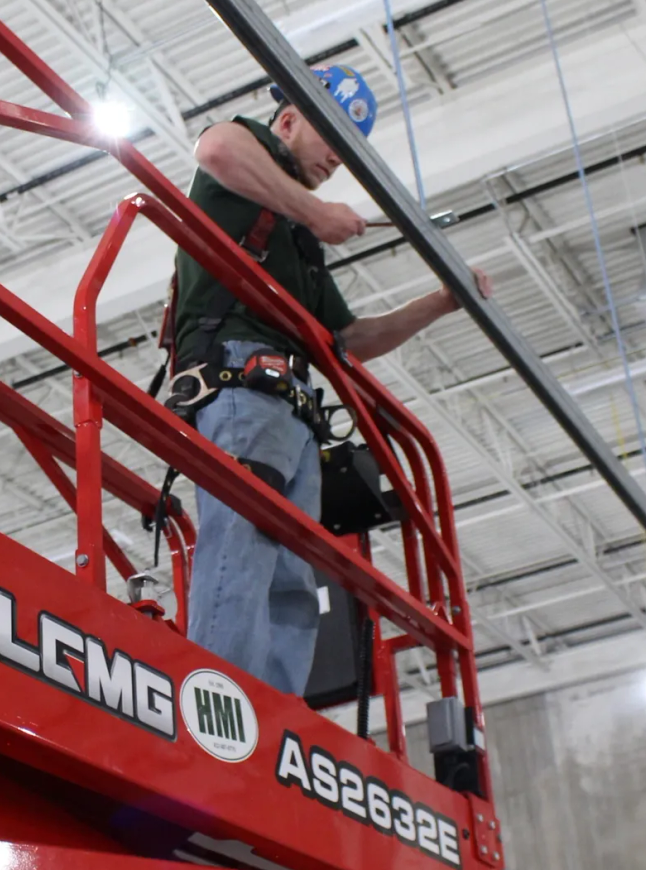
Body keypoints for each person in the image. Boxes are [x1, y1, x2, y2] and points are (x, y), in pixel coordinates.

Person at [165, 65, 487, 697]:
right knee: (244, 542)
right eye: (332, 137)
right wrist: (312, 210)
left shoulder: (295, 245)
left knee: (294, 576)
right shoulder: (244, 163)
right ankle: (215, 704)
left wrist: (444, 302)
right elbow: (215, 148)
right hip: (241, 384)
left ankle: (271, 717)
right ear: (288, 121)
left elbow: (350, 341)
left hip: (294, 410)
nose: (339, 158)